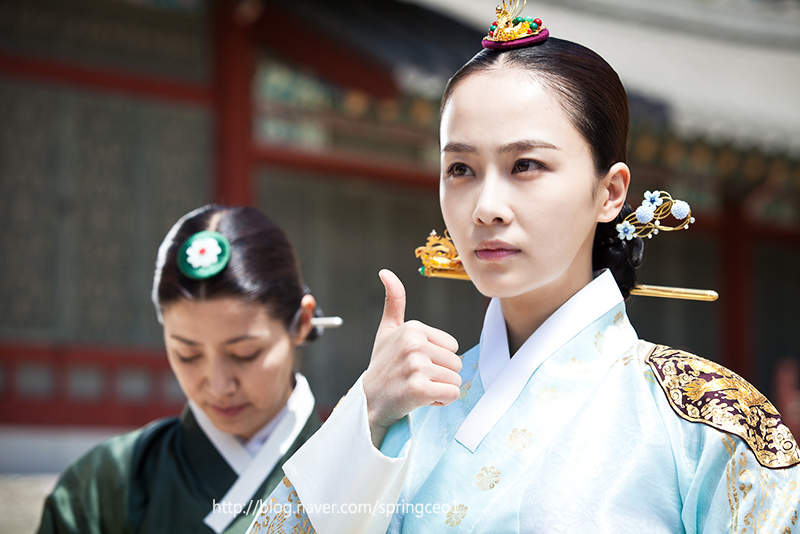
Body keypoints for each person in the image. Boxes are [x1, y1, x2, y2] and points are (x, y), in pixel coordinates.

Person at [247, 9, 800, 534]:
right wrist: (366, 410)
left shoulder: (707, 421)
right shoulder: (402, 412)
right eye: (460, 168)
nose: (486, 207)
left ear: (610, 192)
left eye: (525, 165)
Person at [38, 205, 326, 534]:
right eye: (187, 354)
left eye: (244, 353)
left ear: (302, 323)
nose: (218, 385)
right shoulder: (103, 485)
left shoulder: (359, 473)